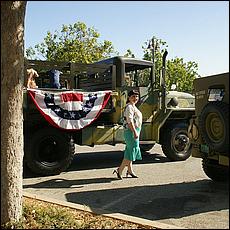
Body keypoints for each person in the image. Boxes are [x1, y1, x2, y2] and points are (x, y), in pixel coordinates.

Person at [113, 89, 143, 179]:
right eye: (133, 96)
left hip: (134, 131)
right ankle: (120, 170)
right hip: (131, 131)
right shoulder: (129, 107)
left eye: (136, 96)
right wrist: (134, 132)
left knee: (129, 151)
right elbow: (130, 121)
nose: (135, 98)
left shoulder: (133, 106)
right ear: (129, 98)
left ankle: (130, 170)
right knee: (132, 150)